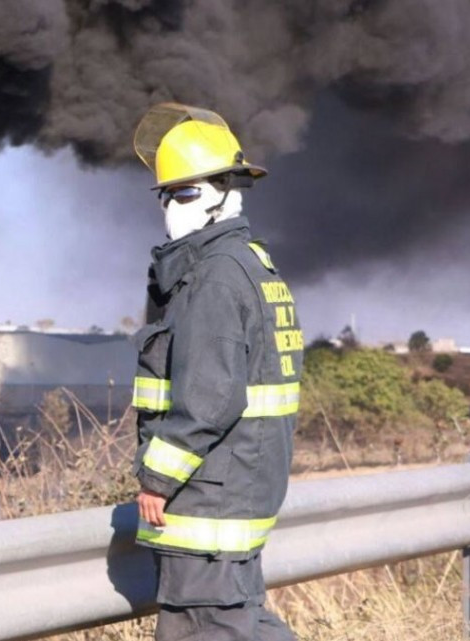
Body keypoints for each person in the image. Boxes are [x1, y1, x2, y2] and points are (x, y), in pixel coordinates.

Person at [129, 103, 303, 641]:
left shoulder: (215, 279)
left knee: (205, 628)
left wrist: (157, 478)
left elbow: (210, 398)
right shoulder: (252, 266)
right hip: (237, 491)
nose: (170, 208)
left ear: (221, 194)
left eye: (182, 194)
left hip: (210, 501)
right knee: (240, 622)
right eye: (166, 196)